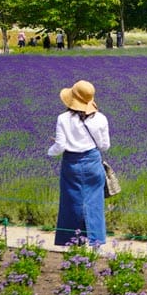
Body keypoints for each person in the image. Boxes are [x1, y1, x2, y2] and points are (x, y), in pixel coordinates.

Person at [46, 79, 111, 247]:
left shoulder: (63, 118)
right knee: (94, 204)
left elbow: (60, 146)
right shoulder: (101, 119)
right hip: (93, 165)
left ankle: (73, 242)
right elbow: (105, 146)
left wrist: (49, 151)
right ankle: (96, 243)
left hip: (71, 165)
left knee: (71, 203)